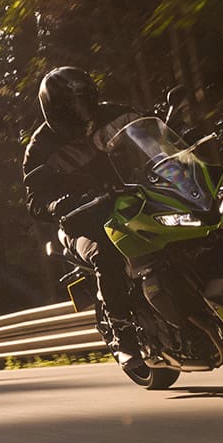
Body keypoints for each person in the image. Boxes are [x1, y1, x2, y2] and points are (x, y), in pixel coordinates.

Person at [21, 66, 149, 373]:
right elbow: (35, 200)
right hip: (83, 219)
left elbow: (153, 135)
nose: (81, 112)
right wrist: (58, 205)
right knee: (107, 255)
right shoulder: (40, 148)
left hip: (134, 199)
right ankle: (123, 334)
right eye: (71, 107)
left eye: (85, 101)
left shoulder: (118, 114)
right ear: (54, 111)